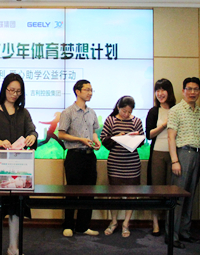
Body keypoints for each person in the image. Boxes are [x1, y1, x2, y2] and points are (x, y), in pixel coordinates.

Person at [0, 73, 37, 255]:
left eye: (18, 91)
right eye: (11, 90)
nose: (14, 94)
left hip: (20, 167)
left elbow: (32, 130)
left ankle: (13, 248)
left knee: (17, 206)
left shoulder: (23, 113)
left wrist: (32, 136)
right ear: (4, 89)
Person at [57, 79, 101, 237]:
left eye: (91, 90)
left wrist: (96, 141)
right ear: (77, 91)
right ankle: (68, 225)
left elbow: (93, 132)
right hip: (74, 156)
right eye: (87, 90)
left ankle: (83, 226)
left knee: (88, 192)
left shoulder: (92, 112)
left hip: (89, 156)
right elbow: (61, 134)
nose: (90, 93)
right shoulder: (68, 112)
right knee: (72, 191)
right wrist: (80, 139)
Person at [167, 77, 200, 249]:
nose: (192, 92)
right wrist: (175, 160)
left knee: (190, 195)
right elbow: (171, 137)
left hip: (197, 155)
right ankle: (172, 235)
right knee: (178, 197)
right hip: (182, 154)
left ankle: (184, 231)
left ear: (199, 91)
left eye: (196, 89)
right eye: (189, 89)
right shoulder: (176, 110)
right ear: (183, 91)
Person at [101, 96, 144, 238]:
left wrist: (132, 138)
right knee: (114, 194)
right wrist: (117, 137)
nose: (126, 114)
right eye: (124, 111)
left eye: (129, 112)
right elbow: (104, 139)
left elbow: (142, 140)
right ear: (118, 107)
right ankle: (113, 221)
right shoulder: (111, 120)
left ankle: (126, 223)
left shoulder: (136, 121)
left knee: (131, 194)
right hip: (115, 163)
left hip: (132, 163)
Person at [145, 78, 176, 237]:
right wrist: (163, 125)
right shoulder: (153, 111)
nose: (160, 93)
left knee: (171, 189)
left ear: (169, 92)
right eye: (157, 90)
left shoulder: (177, 110)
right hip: (157, 153)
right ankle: (156, 223)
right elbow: (149, 135)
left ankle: (171, 223)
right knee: (156, 188)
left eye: (163, 90)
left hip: (174, 154)